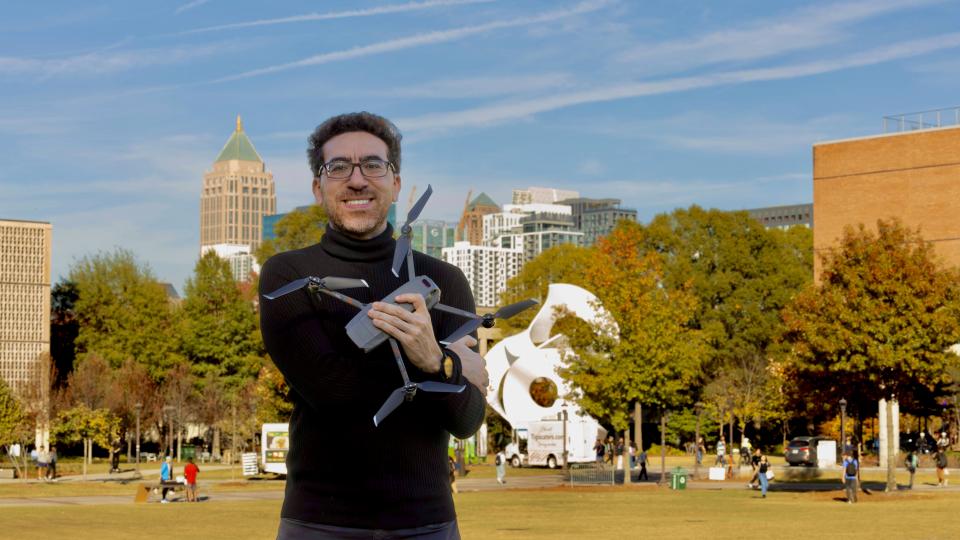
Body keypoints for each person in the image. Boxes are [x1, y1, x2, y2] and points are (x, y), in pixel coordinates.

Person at [260, 112, 487, 539]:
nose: (357, 179)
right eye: (339, 167)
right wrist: (438, 363)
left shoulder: (446, 282)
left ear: (396, 183)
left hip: (428, 524)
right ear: (318, 187)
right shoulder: (288, 275)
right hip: (319, 524)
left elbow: (466, 420)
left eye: (373, 164)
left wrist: (436, 362)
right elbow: (334, 393)